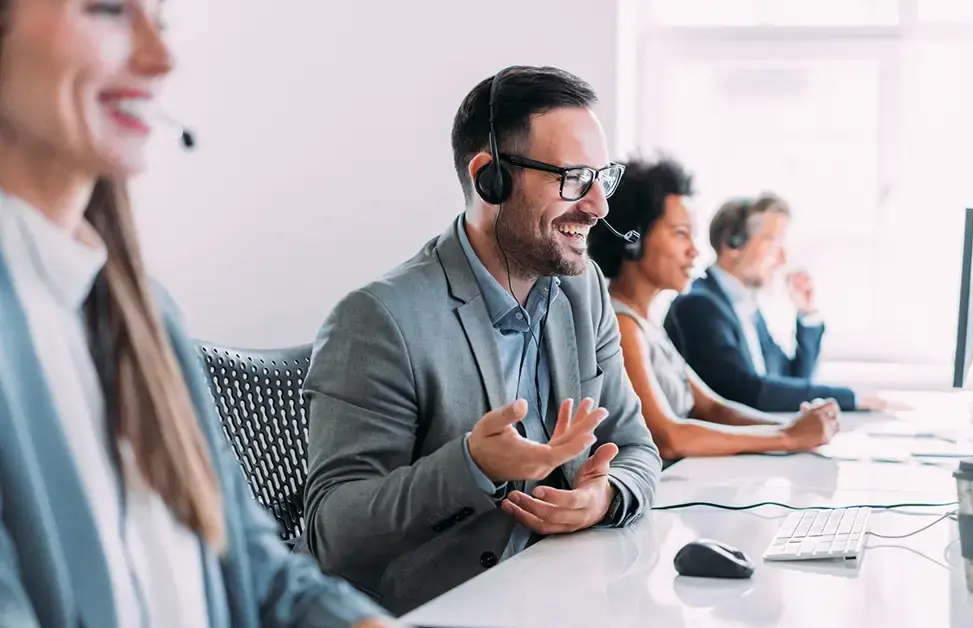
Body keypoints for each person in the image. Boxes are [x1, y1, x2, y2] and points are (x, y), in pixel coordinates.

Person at [0, 1, 389, 626]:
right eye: (107, 9)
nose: (162, 57)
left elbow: (249, 563)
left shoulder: (148, 316)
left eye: (161, 17)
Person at [299, 66, 661, 615]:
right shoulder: (377, 319)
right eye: (572, 179)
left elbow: (636, 446)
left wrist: (601, 498)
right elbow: (332, 532)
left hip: (567, 597)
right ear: (490, 177)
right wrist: (471, 465)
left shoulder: (581, 290)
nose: (598, 206)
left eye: (601, 178)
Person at [587, 156, 842, 460]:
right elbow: (668, 436)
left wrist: (794, 426)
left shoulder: (647, 322)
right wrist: (787, 437)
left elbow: (713, 407)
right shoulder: (622, 324)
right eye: (681, 233)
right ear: (633, 239)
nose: (694, 250)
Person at [665, 194, 893, 413]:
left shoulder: (747, 309)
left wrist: (807, 314)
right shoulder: (697, 306)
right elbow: (746, 392)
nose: (782, 259)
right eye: (773, 242)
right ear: (732, 242)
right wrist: (849, 398)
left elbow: (793, 382)